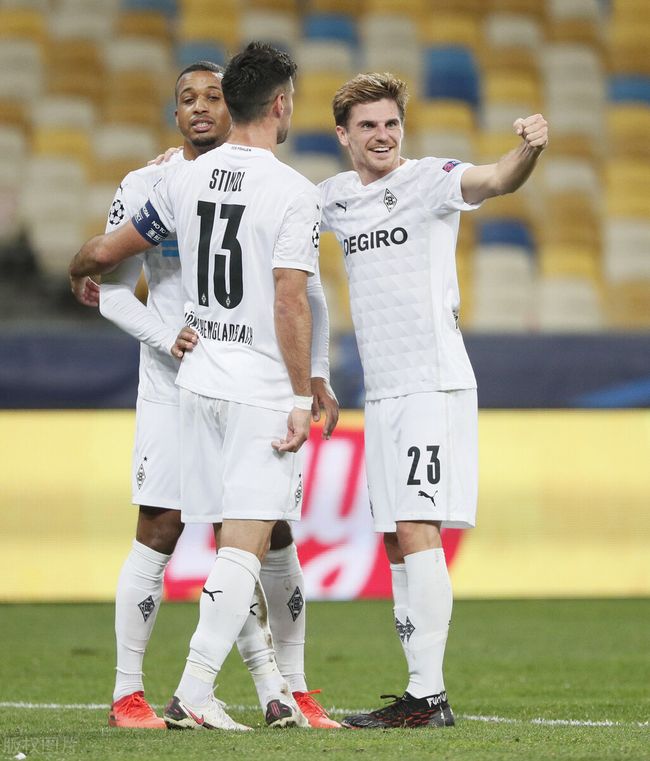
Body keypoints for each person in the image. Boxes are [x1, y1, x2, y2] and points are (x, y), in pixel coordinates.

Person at [70, 46, 337, 729]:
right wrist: (167, 337)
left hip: (214, 378)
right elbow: (112, 281)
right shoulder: (158, 180)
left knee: (254, 534)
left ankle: (280, 688)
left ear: (233, 104)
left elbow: (307, 293)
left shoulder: (190, 183)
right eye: (187, 98)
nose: (199, 108)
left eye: (212, 96)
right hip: (197, 382)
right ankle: (146, 691)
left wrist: (317, 371)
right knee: (184, 531)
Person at [318, 72, 549, 729]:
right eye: (368, 125)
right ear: (344, 135)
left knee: (419, 528)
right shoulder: (333, 198)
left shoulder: (430, 179)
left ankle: (429, 695)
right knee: (396, 539)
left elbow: (496, 179)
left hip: (433, 382)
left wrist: (528, 148)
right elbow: (269, 210)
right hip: (383, 391)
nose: (383, 135)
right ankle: (420, 692)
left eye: (391, 123)